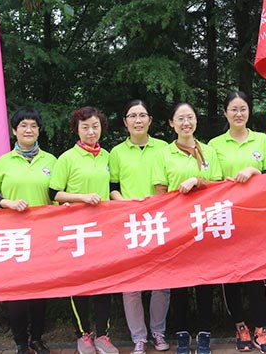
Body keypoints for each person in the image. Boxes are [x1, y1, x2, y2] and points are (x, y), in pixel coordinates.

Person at [207, 91, 266, 354]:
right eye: (233, 109)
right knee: (232, 277)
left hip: (257, 219)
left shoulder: (262, 141)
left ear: (249, 111)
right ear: (225, 113)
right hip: (226, 219)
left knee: (258, 277)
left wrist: (254, 170)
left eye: (243, 109)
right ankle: (240, 327)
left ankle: (260, 329)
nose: (238, 114)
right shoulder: (214, 145)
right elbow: (212, 182)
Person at [151, 102, 223, 354]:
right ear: (171, 123)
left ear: (196, 121)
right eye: (180, 118)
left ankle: (204, 335)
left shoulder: (209, 151)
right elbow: (160, 192)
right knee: (179, 283)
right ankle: (182, 335)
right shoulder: (163, 154)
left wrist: (197, 181)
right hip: (176, 226)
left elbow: (219, 186)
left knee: (205, 282)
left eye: (190, 117)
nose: (186, 123)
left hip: (205, 224)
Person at [0, 107, 57, 354]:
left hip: (43, 235)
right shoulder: (3, 162)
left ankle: (37, 338)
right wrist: (7, 203)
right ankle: (20, 342)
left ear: (39, 131)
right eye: (23, 125)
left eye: (33, 126)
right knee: (15, 292)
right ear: (14, 131)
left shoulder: (51, 161)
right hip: (13, 236)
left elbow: (57, 193)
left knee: (39, 290)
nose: (29, 130)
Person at [49, 106, 118, 354]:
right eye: (85, 127)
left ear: (102, 128)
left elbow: (114, 187)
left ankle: (103, 335)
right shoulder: (67, 158)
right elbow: (54, 193)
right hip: (76, 231)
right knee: (79, 284)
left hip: (104, 230)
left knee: (104, 283)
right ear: (76, 130)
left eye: (95, 126)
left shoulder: (107, 156)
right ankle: (83, 334)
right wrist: (82, 198)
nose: (91, 131)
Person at [108, 100, 171, 354]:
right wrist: (125, 204)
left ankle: (158, 331)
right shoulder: (116, 153)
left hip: (159, 222)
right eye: (132, 116)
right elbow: (112, 188)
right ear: (125, 122)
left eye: (142, 115)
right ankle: (138, 337)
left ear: (150, 120)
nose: (137, 120)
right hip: (129, 224)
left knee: (161, 283)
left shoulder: (164, 148)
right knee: (131, 286)